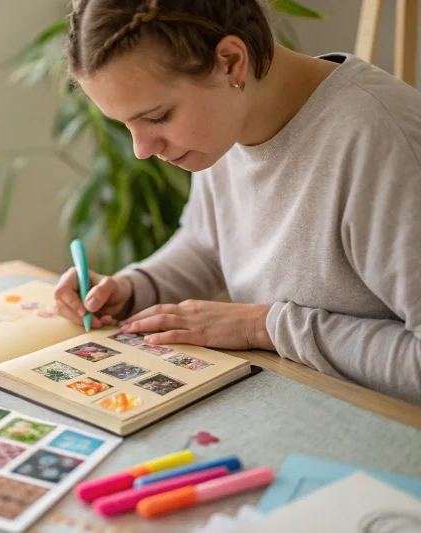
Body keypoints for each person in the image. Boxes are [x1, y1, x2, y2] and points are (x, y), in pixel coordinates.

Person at [53, 0, 421, 405]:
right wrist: (134, 288)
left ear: (230, 62)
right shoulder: (225, 123)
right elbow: (207, 243)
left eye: (157, 117)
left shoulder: (380, 145)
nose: (141, 149)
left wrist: (266, 327)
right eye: (126, 124)